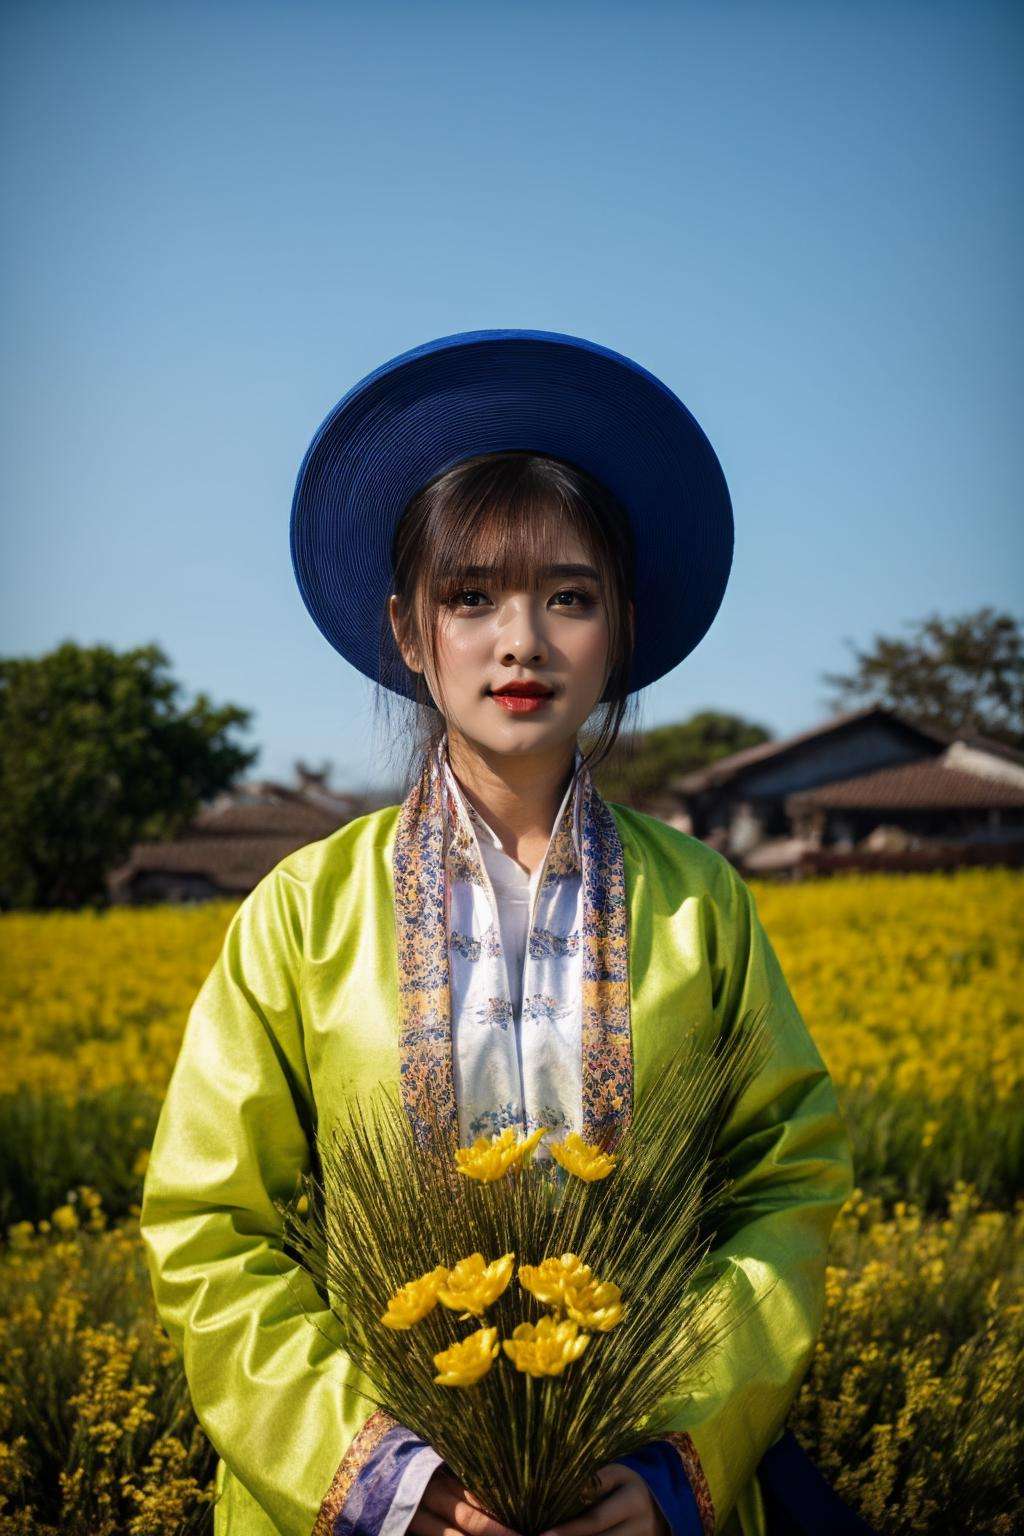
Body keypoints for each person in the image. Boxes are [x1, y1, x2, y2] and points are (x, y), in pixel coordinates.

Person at [140, 330, 868, 1536]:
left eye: (567, 597)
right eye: (469, 597)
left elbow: (783, 1195)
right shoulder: (301, 913)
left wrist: (670, 1459)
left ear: (620, 627)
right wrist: (391, 1483)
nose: (519, 640)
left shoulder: (704, 902)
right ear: (408, 631)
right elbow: (209, 1227)